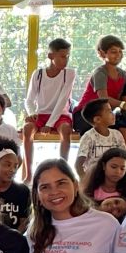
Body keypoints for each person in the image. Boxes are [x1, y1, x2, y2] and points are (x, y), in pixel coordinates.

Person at [21, 38, 75, 172]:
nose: (66, 60)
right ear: (51, 56)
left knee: (65, 130)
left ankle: (63, 170)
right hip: (41, 115)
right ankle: (29, 173)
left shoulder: (69, 74)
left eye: (68, 56)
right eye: (62, 56)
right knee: (27, 129)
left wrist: (50, 124)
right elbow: (29, 100)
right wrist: (32, 113)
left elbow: (62, 100)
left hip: (60, 115)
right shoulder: (38, 74)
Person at [70, 35, 126, 134]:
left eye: (120, 51)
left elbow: (122, 98)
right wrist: (124, 105)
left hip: (106, 116)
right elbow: (103, 98)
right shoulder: (100, 73)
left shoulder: (123, 74)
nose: (118, 55)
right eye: (114, 52)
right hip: (85, 115)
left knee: (123, 128)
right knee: (101, 131)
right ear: (102, 53)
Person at [74, 99, 125, 179]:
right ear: (98, 119)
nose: (113, 114)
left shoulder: (117, 135)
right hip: (94, 179)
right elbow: (78, 165)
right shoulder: (88, 137)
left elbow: (124, 158)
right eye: (109, 111)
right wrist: (85, 182)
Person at [0, 140, 31, 233]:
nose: (12, 170)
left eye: (15, 166)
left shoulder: (22, 191)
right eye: (8, 165)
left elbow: (24, 222)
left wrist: (13, 238)